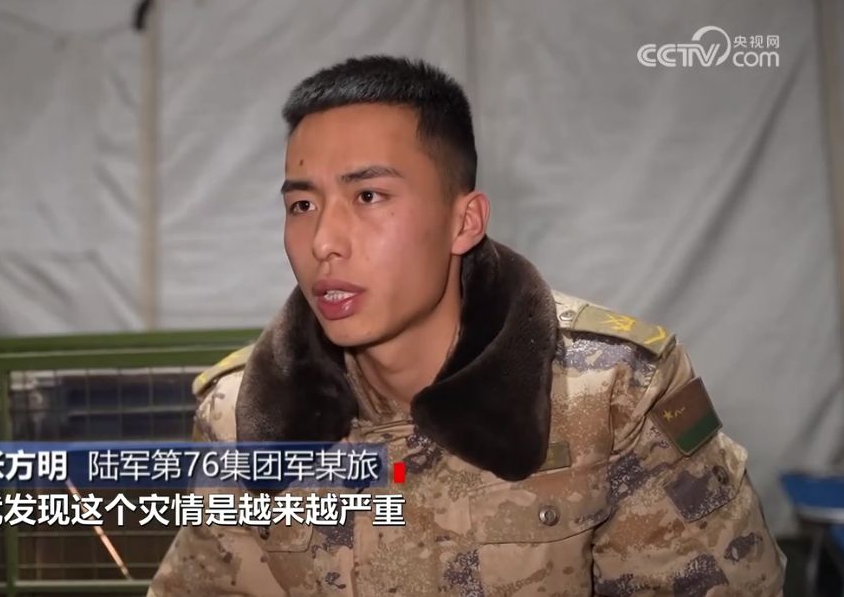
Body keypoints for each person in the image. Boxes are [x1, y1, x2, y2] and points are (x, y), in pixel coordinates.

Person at [147, 55, 785, 596]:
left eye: (368, 197)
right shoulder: (242, 417)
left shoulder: (613, 395)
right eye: (302, 204)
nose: (323, 242)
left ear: (465, 221)